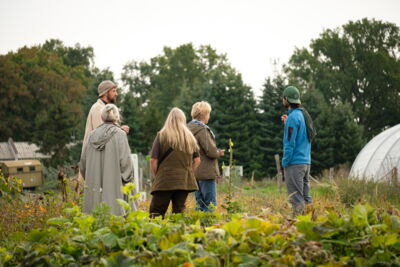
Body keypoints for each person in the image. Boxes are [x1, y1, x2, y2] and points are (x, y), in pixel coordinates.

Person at [80, 104, 134, 216]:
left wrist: (91, 179)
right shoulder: (120, 134)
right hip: (115, 189)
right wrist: (128, 181)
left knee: (94, 222)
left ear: (102, 117)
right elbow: (126, 164)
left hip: (94, 189)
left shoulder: (91, 136)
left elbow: (83, 164)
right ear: (117, 118)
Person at [149, 107, 200, 218]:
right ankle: (178, 234)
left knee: (156, 212)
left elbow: (153, 160)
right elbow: (197, 160)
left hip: (165, 179)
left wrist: (157, 175)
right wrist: (188, 172)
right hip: (184, 181)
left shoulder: (161, 135)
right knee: (179, 213)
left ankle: (155, 234)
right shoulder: (190, 138)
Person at [281, 86, 314, 215]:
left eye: (283, 98)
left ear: (287, 99)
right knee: (306, 198)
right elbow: (301, 135)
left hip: (295, 163)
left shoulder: (293, 118)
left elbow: (290, 143)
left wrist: (285, 162)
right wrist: (287, 123)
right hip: (306, 162)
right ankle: (312, 224)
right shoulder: (302, 115)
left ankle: (297, 228)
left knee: (296, 199)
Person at [187, 101, 224, 212]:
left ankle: (199, 227)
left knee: (200, 203)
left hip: (194, 171)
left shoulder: (187, 129)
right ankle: (210, 227)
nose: (209, 116)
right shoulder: (202, 130)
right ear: (204, 115)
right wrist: (218, 152)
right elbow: (210, 151)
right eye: (208, 114)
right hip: (206, 172)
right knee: (210, 204)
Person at [82, 80, 129, 151]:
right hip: (95, 157)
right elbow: (100, 136)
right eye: (114, 91)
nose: (116, 94)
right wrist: (120, 130)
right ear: (106, 93)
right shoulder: (98, 108)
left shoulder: (105, 108)